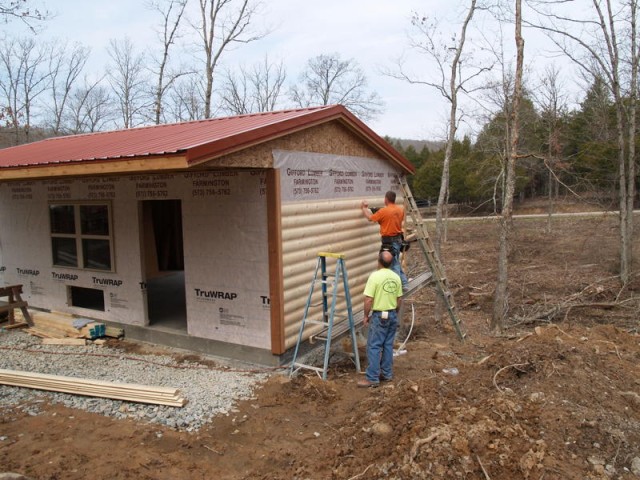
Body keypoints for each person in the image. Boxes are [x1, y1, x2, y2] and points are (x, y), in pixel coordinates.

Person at [357, 250, 403, 388]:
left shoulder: (375, 277)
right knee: (388, 345)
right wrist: (395, 312)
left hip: (379, 316)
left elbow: (368, 300)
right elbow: (399, 298)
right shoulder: (396, 277)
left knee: (374, 346)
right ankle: (386, 374)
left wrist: (366, 315)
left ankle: (372, 378)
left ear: (379, 261)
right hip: (392, 315)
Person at [360, 190, 409, 291]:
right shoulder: (400, 210)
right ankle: (404, 283)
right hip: (398, 240)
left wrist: (364, 208)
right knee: (395, 261)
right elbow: (389, 219)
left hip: (389, 242)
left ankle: (397, 287)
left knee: (392, 264)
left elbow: (370, 218)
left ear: (386, 199)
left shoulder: (383, 211)